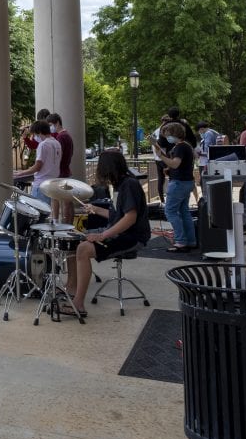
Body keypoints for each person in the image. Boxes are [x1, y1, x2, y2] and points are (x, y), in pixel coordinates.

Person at [66, 150, 151, 317]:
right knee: (72, 240)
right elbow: (117, 216)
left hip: (132, 236)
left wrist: (102, 236)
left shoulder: (129, 185)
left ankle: (78, 304)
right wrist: (96, 209)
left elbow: (130, 218)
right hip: (121, 232)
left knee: (83, 249)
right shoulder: (120, 185)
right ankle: (71, 289)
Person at [152, 122, 197, 252]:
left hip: (178, 183)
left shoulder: (180, 147)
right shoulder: (186, 146)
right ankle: (190, 240)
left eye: (168, 135)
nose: (167, 138)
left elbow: (175, 164)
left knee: (170, 211)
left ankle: (180, 241)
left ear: (174, 134)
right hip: (187, 182)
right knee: (184, 212)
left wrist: (161, 157)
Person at [13, 120, 61, 208]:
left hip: (41, 185)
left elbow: (37, 167)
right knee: (47, 211)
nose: (34, 137)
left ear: (39, 132)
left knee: (38, 212)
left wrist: (21, 173)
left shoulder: (43, 145)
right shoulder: (56, 143)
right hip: (53, 183)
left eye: (34, 134)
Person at [46, 113, 75, 223]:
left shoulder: (61, 137)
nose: (50, 128)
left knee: (62, 202)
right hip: (66, 171)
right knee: (68, 201)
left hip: (60, 173)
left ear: (57, 122)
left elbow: (58, 156)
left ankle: (64, 226)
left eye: (50, 125)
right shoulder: (67, 135)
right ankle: (69, 225)